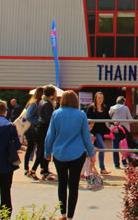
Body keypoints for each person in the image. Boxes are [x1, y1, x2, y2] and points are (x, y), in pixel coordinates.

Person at [45, 90, 96, 220]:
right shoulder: (81, 115)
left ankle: (62, 213)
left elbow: (50, 135)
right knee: (73, 185)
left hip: (59, 153)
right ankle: (70, 215)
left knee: (62, 183)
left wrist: (47, 152)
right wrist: (91, 153)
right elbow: (86, 136)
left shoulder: (56, 114)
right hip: (77, 153)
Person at [85, 92, 110, 174]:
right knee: (102, 147)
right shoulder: (91, 108)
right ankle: (101, 168)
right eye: (99, 98)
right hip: (93, 132)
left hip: (101, 131)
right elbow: (87, 118)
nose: (100, 100)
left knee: (94, 150)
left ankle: (92, 168)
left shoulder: (105, 108)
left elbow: (108, 118)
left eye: (102, 98)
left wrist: (114, 123)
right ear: (95, 98)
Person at [36, 85, 58, 181]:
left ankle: (43, 168)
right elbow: (49, 118)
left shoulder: (42, 101)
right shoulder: (48, 104)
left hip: (41, 127)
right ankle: (43, 170)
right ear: (52, 94)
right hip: (45, 128)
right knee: (45, 148)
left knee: (42, 148)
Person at [23, 87, 44, 179]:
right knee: (31, 149)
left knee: (35, 150)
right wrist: (38, 122)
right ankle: (27, 169)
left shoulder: (37, 103)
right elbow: (29, 116)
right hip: (33, 130)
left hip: (36, 130)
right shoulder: (35, 104)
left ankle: (31, 169)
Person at [108, 96, 133, 169]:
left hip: (114, 129)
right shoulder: (125, 108)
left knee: (115, 147)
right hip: (123, 130)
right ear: (123, 102)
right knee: (124, 146)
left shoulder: (112, 108)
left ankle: (116, 164)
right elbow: (130, 119)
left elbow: (108, 118)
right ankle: (124, 162)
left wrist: (109, 127)